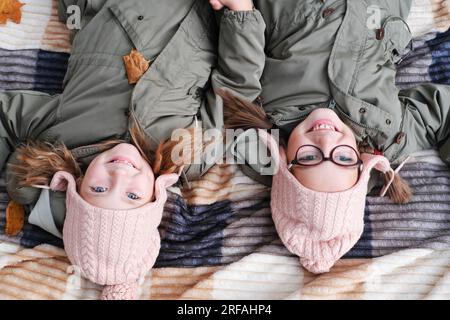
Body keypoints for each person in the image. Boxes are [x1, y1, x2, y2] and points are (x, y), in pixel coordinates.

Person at [0, 0, 265, 299]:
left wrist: (17, 175)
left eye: (99, 190)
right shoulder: (186, 155)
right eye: (133, 196)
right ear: (156, 196)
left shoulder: (63, 134)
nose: (119, 175)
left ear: (75, 184)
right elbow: (234, 93)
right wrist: (240, 14)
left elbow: (6, 113)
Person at [212, 0, 450, 273]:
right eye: (344, 157)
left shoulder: (257, 137)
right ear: (362, 163)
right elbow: (441, 110)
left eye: (310, 157)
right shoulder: (389, 134)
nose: (326, 140)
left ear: (284, 161)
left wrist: (241, 13)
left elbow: (239, 78)